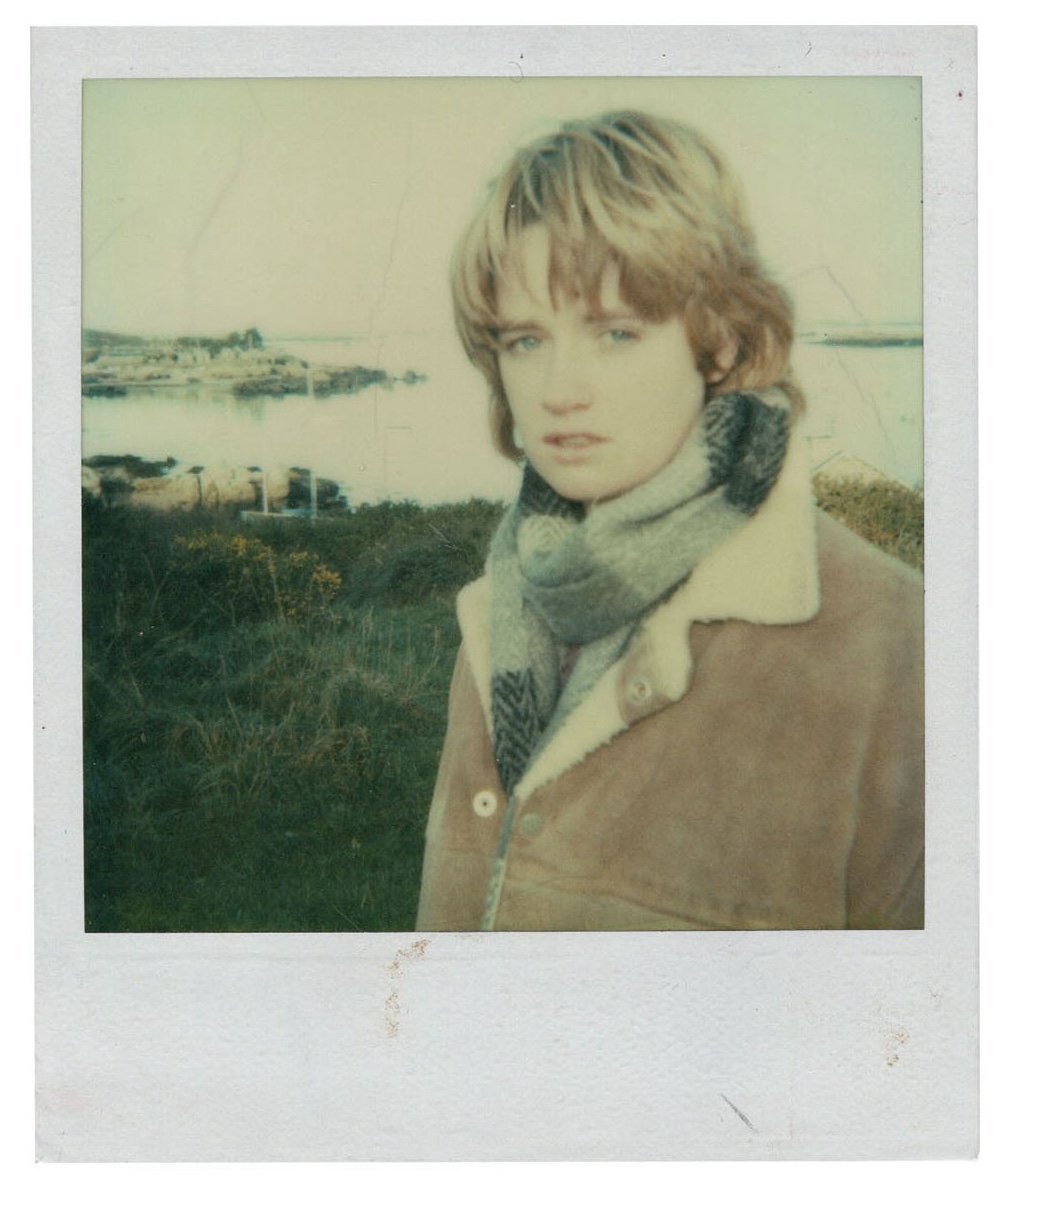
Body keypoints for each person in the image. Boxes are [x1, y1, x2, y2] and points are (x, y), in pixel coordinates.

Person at [415, 111, 923, 932]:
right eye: (523, 340)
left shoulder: (897, 649)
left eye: (615, 333)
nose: (557, 389)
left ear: (718, 344)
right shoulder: (500, 610)